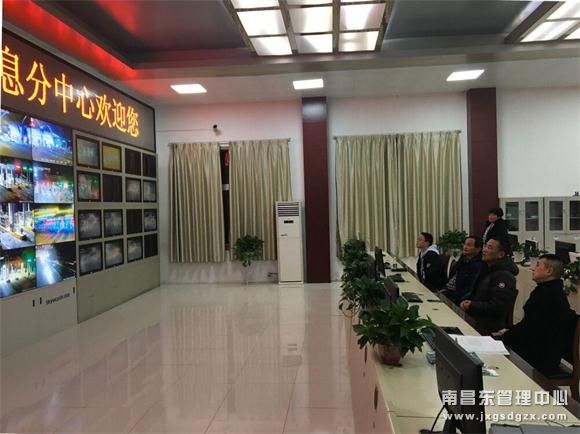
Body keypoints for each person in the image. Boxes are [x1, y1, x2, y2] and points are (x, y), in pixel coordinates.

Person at [493, 254, 576, 375]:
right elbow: (530, 324)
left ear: (549, 271)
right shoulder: (545, 290)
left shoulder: (549, 296)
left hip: (541, 356)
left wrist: (508, 334)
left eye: (537, 265)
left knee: (496, 345)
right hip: (536, 346)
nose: (532, 268)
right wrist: (509, 331)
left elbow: (532, 329)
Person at [459, 237, 518, 335]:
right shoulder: (486, 269)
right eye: (485, 246)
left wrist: (472, 305)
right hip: (475, 319)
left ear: (501, 254)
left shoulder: (504, 276)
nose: (484, 250)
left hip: (488, 327)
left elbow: (497, 306)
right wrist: (465, 301)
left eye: (489, 248)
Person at [442, 236, 484, 304]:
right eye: (465, 244)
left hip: (457, 299)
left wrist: (455, 299)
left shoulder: (478, 265)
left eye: (469, 245)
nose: (465, 247)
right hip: (448, 293)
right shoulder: (463, 260)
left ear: (478, 249)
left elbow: (469, 289)